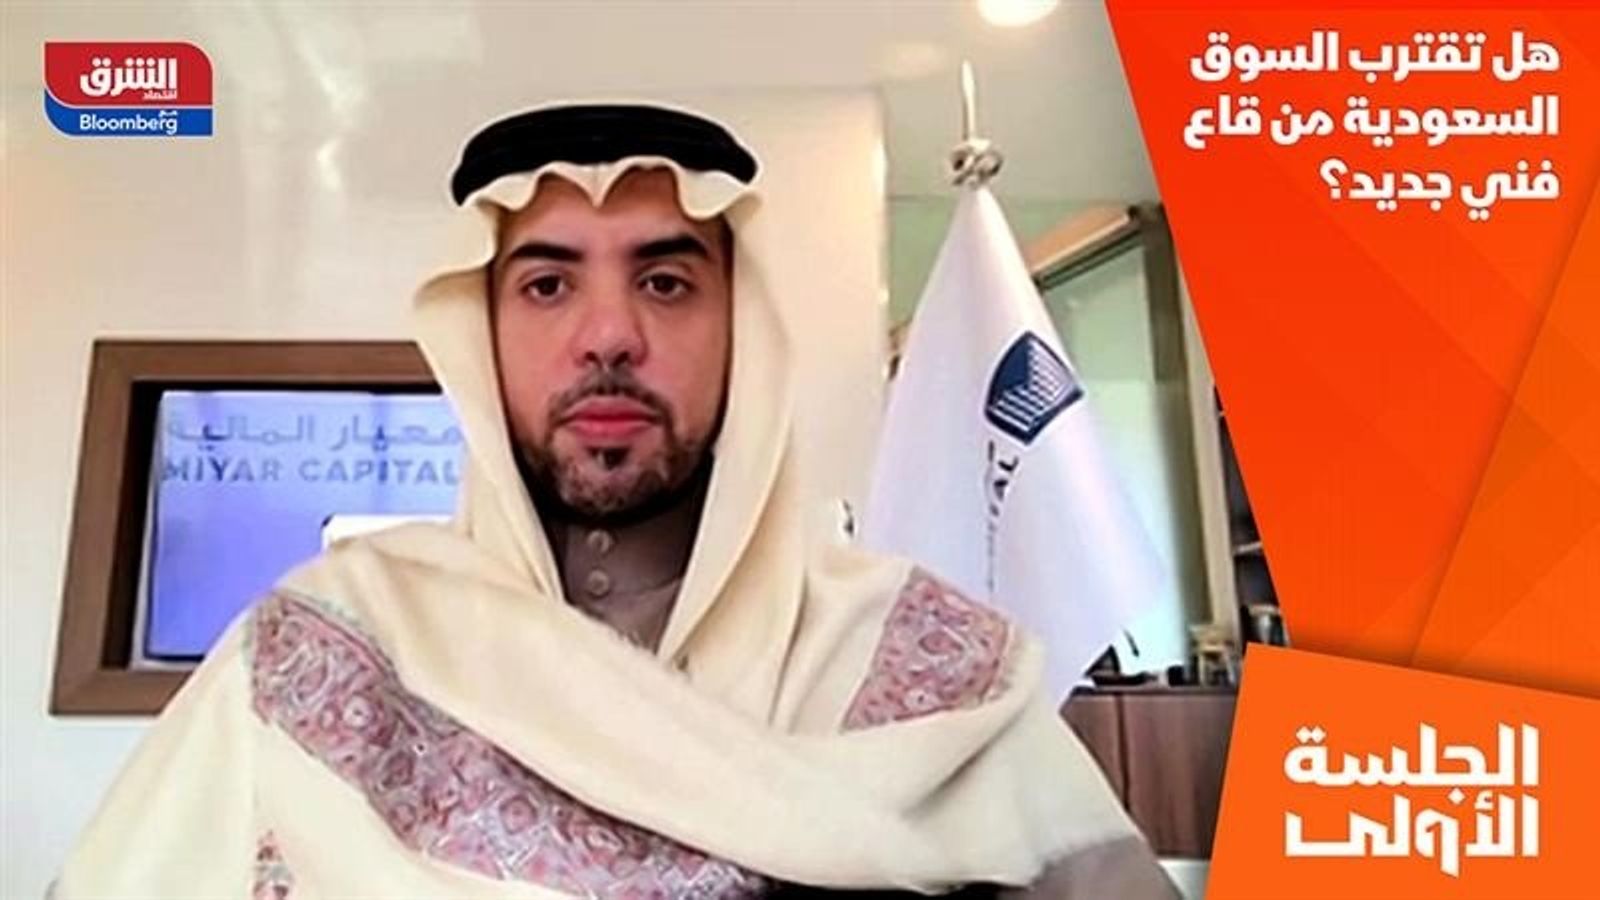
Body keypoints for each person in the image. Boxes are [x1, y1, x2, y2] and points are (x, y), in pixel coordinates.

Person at [56, 103, 1177, 899]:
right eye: (548, 284)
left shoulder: (929, 662)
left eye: (666, 281)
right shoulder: (326, 649)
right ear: (480, 336)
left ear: (743, 331)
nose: (607, 336)